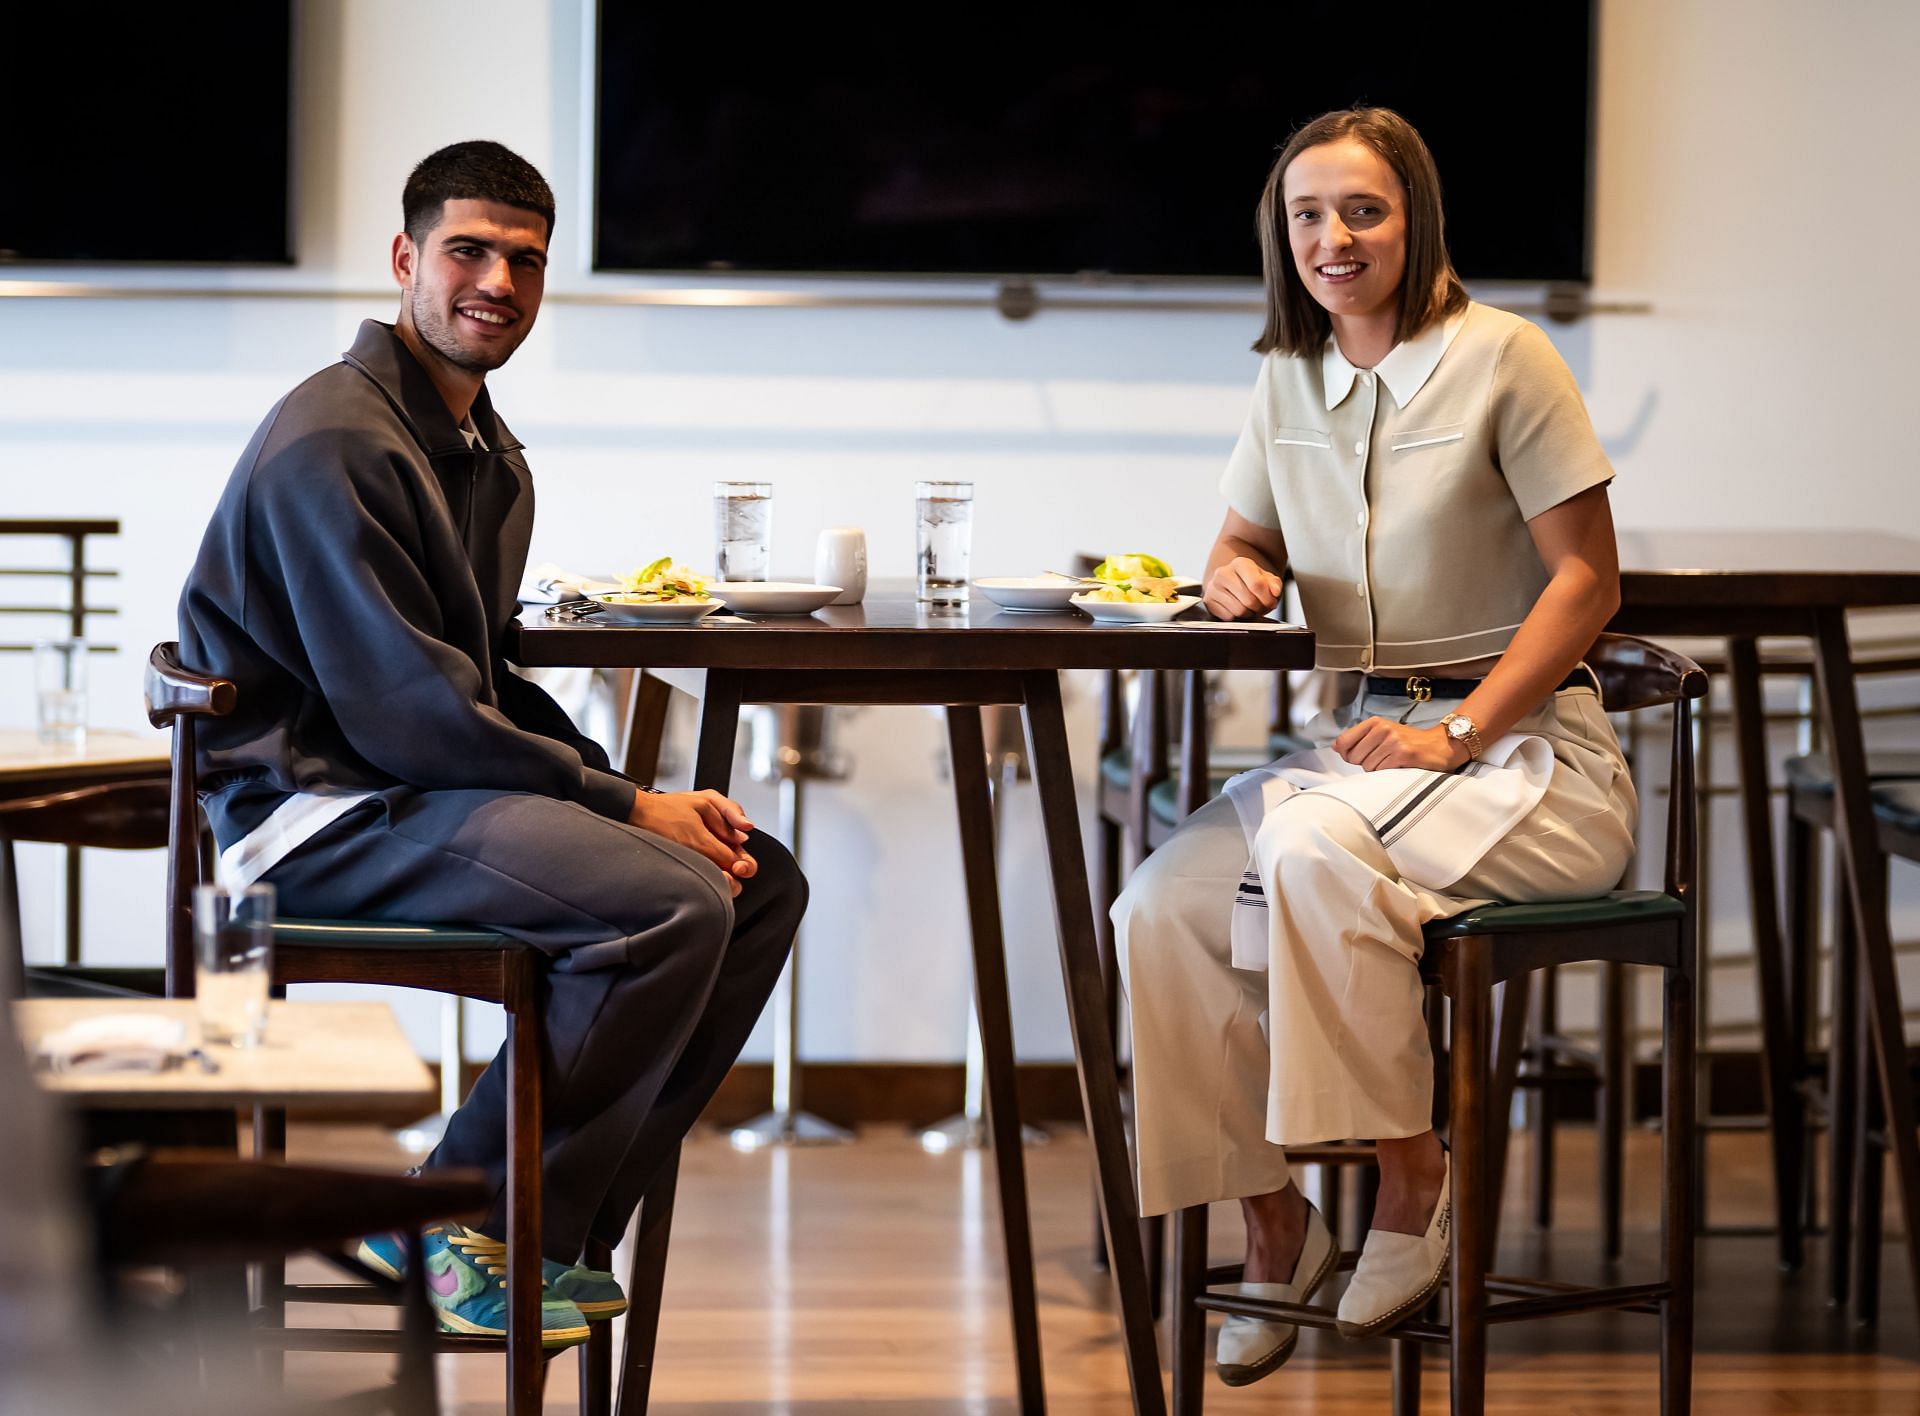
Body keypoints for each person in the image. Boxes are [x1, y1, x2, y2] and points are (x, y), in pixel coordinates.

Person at [177, 141, 806, 1347]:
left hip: (412, 789)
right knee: (667, 908)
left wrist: (632, 793)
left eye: (525, 259)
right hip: (315, 813)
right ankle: (455, 1217)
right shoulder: (337, 441)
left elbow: (484, 687)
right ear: (407, 260)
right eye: (469, 250)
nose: (498, 282)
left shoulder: (484, 451)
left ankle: (540, 1234)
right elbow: (408, 712)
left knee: (755, 883)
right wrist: (624, 812)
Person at [1112, 107, 1635, 1386]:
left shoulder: (1508, 357)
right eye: (1307, 215)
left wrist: (1458, 731)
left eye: (1363, 211)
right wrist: (1235, 574)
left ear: (1416, 220)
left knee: (1307, 849)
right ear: (1279, 235)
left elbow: (1589, 585)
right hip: (1362, 753)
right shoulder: (1287, 377)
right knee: (1157, 909)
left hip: (1525, 764)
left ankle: (1414, 1179)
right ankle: (1274, 1223)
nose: (1333, 238)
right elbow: (1243, 541)